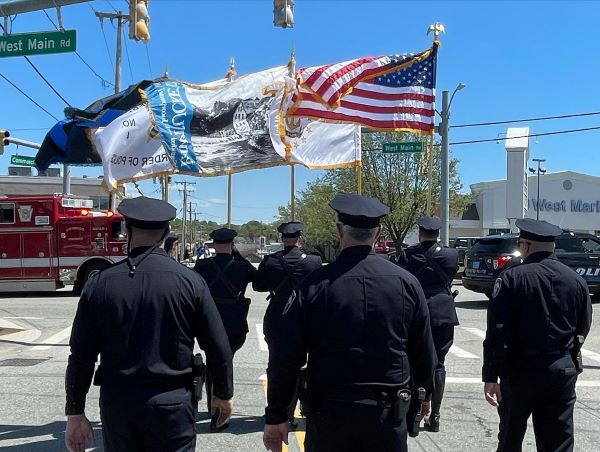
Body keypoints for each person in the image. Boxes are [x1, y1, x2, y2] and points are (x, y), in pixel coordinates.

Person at [263, 193, 437, 452]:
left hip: (330, 413)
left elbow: (285, 355)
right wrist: (426, 393)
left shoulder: (314, 285)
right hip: (387, 415)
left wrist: (277, 413)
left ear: (339, 230)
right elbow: (423, 348)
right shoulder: (406, 282)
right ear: (377, 233)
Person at [64, 197, 234, 452]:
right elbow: (217, 345)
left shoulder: (100, 284)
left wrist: (75, 413)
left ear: (126, 229)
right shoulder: (190, 282)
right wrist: (222, 393)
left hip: (118, 404)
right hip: (173, 402)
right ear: (166, 234)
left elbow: (81, 355)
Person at [482, 218, 592, 452]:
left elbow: (497, 330)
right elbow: (583, 326)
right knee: (558, 441)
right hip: (560, 367)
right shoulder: (576, 280)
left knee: (510, 437)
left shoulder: (512, 277)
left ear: (526, 245)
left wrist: (491, 374)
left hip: (519, 368)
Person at [253, 221, 322, 425]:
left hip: (278, 314)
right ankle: (304, 408)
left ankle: (280, 410)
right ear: (300, 239)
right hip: (305, 314)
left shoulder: (270, 261)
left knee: (277, 365)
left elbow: (258, 286)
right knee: (309, 363)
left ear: (282, 239)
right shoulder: (313, 261)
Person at [396, 215, 459, 432]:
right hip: (442, 312)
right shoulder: (452, 254)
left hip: (415, 311)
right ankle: (435, 417)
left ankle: (414, 413)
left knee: (414, 361)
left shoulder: (408, 255)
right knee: (439, 364)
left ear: (420, 233)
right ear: (438, 233)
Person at [194, 228, 256, 414]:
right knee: (224, 360)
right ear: (232, 244)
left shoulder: (203, 265)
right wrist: (237, 256)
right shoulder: (242, 266)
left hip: (208, 323)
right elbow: (259, 282)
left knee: (214, 360)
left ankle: (214, 403)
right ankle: (221, 403)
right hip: (234, 323)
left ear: (213, 245)